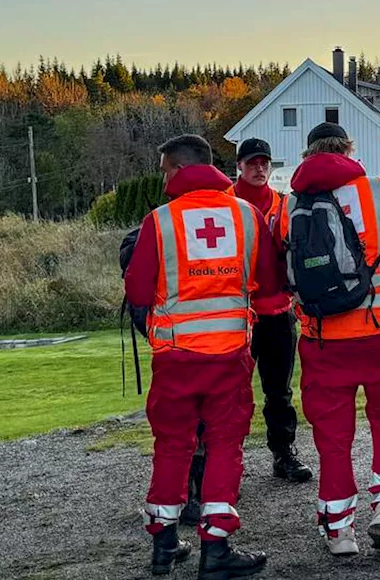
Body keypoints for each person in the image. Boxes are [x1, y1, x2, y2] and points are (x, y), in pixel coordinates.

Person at [124, 134, 275, 579]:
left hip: (174, 356)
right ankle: (217, 546)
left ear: (175, 168)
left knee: (172, 446)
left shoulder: (160, 221)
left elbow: (135, 290)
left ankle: (164, 545)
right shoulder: (248, 216)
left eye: (164, 169)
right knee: (225, 446)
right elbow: (268, 282)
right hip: (229, 354)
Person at [275, 122, 380, 557]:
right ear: (349, 149)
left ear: (308, 154)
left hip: (322, 338)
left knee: (333, 437)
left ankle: (339, 531)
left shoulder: (289, 205)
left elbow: (279, 275)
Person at [227, 138, 314, 483]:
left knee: (279, 390)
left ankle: (284, 453)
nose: (259, 169)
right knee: (233, 393)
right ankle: (227, 460)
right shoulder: (225, 205)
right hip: (237, 315)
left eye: (264, 163)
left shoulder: (284, 205)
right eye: (252, 163)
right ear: (239, 166)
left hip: (277, 311)